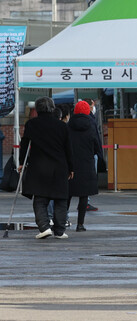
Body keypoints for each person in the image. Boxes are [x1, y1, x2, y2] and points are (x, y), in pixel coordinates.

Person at [20, 97, 73, 239]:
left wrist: (21, 162)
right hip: (59, 166)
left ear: (37, 108)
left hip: (39, 166)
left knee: (40, 198)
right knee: (61, 199)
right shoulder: (62, 126)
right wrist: (71, 167)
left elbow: (25, 144)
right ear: (52, 108)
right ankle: (60, 231)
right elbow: (68, 148)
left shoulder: (31, 124)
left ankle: (44, 227)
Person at [67, 101, 104, 232]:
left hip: (71, 163)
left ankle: (62, 221)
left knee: (68, 194)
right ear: (88, 111)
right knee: (83, 195)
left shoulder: (69, 125)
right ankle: (80, 224)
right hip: (87, 163)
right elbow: (97, 144)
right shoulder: (91, 125)